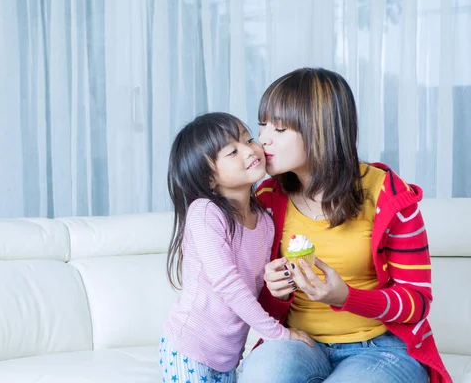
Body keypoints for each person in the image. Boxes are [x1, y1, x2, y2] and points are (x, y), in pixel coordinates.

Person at [239, 68, 451, 382]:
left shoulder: (389, 196)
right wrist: (276, 293)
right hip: (300, 342)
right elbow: (260, 311)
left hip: (381, 348)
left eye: (280, 129)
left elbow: (416, 304)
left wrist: (346, 297)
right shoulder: (268, 198)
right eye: (263, 125)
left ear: (320, 130)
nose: (263, 139)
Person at [160, 112, 313, 383]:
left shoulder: (265, 221)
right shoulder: (205, 213)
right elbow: (228, 285)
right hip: (189, 349)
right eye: (232, 151)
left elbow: (260, 288)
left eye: (248, 139)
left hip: (230, 356)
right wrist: (279, 334)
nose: (250, 150)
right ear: (209, 179)